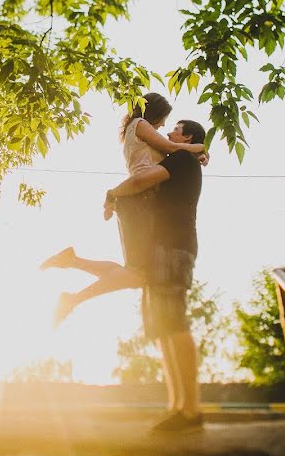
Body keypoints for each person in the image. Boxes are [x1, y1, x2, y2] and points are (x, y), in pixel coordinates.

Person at [41, 106, 207, 432]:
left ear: (186, 137)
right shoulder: (179, 157)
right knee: (162, 327)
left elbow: (142, 179)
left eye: (175, 130)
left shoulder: (181, 159)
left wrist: (113, 193)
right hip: (162, 246)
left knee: (174, 323)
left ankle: (190, 410)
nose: (168, 134)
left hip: (173, 248)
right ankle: (179, 408)